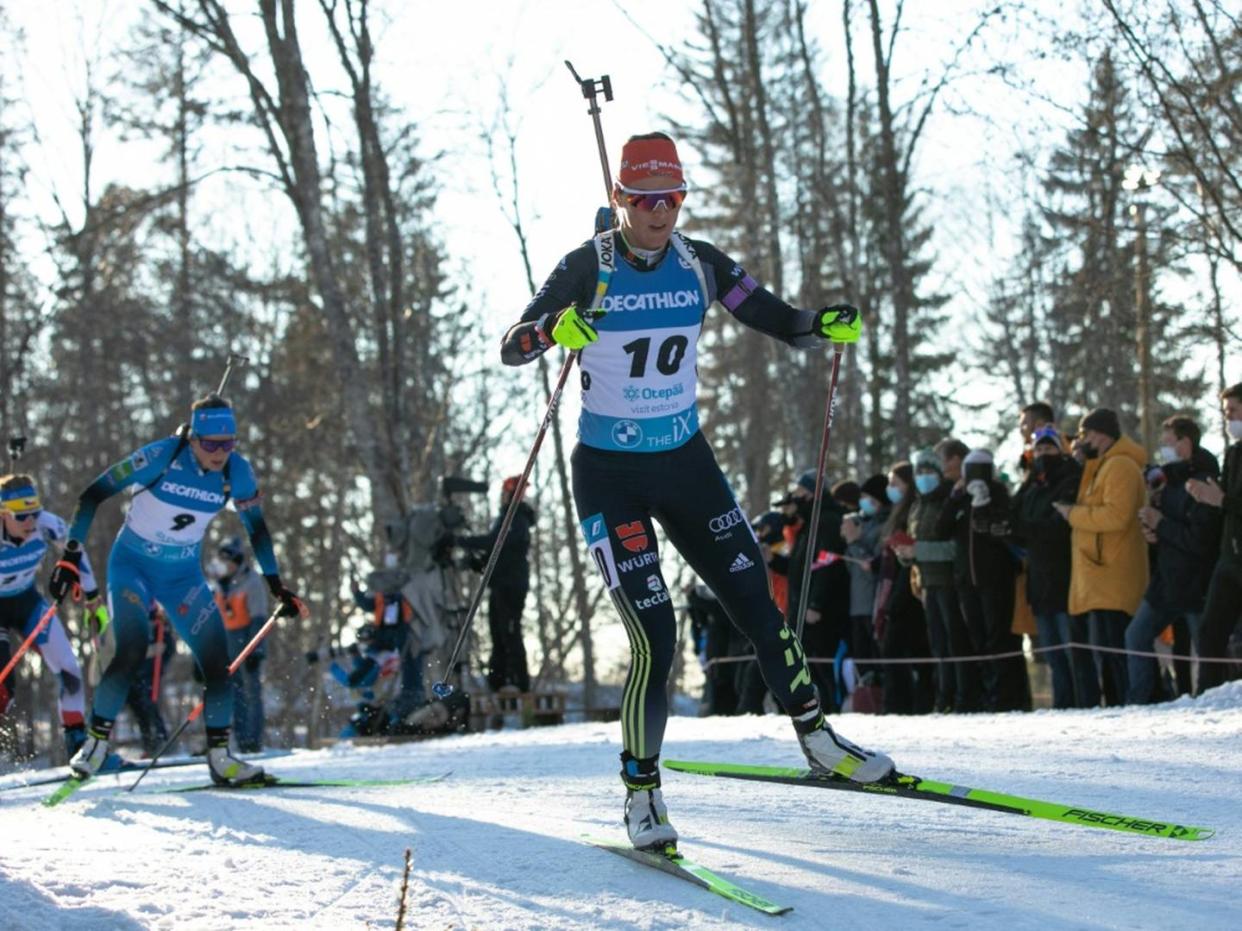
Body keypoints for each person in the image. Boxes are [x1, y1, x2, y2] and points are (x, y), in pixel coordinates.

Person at [500, 131, 892, 850]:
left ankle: (820, 741)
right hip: (611, 474)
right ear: (621, 198)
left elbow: (774, 315)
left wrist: (819, 324)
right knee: (657, 634)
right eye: (646, 198)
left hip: (686, 463)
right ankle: (642, 793)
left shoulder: (699, 263)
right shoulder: (588, 265)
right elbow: (514, 341)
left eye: (672, 197)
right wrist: (555, 329)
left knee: (761, 608)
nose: (660, 212)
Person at [49, 394, 305, 785]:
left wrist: (274, 584)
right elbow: (92, 495)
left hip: (182, 576)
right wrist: (69, 556)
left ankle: (221, 758)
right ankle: (96, 745)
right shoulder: (162, 456)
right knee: (132, 646)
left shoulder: (237, 472)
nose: (220, 453)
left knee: (217, 661)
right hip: (132, 566)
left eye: (229, 443)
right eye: (211, 444)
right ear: (193, 438)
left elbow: (257, 528)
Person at [0, 474, 101, 757]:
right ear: (3, 514)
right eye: (21, 517)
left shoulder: (47, 524)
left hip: (26, 601)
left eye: (33, 513)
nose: (30, 523)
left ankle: (78, 747)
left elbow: (75, 550)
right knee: (3, 688)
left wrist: (92, 595)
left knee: (70, 672)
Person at [1053, 408, 1148, 706]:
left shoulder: (1120, 466)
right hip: (1098, 578)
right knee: (1103, 652)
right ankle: (1117, 703)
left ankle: (1127, 703)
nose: (1081, 442)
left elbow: (1117, 516)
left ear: (1101, 434)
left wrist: (1074, 515)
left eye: (1084, 435)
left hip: (1114, 575)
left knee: (1114, 652)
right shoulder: (1101, 465)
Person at [1127, 416, 1221, 702]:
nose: (1163, 449)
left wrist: (1161, 525)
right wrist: (1153, 534)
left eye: (1168, 443)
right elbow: (1165, 527)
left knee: (1204, 652)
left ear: (1185, 443)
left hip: (1196, 584)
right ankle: (1142, 700)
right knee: (1135, 636)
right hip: (1166, 582)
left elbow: (1200, 540)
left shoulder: (1205, 480)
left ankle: (1212, 701)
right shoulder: (1168, 481)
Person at [938, 449, 1031, 712]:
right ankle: (988, 692)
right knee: (977, 637)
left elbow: (1006, 532)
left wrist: (987, 504)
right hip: (967, 580)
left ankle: (1008, 695)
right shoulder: (961, 500)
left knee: (999, 637)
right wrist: (955, 498)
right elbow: (941, 529)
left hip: (996, 579)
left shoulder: (1000, 495)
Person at [1010, 427, 1094, 708]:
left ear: (1061, 449)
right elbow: (1015, 520)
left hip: (1066, 577)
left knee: (1074, 652)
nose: (1044, 455)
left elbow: (1056, 528)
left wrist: (1023, 528)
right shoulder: (1033, 485)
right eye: (1039, 450)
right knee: (1053, 654)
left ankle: (1085, 704)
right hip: (1039, 581)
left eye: (1049, 448)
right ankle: (1063, 706)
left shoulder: (1071, 479)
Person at [906, 447, 972, 712]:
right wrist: (906, 554)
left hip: (949, 581)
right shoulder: (917, 505)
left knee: (955, 640)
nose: (924, 477)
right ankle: (943, 696)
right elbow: (915, 544)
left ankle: (963, 697)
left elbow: (954, 548)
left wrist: (918, 550)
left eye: (929, 471)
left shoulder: (949, 500)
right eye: (919, 472)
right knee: (938, 644)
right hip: (927, 583)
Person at [1187, 383, 1242, 692]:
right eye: (1225, 413)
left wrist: (1221, 500)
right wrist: (1205, 496)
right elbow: (1226, 499)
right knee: (1210, 633)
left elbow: (1229, 501)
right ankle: (1207, 695)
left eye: (1233, 411)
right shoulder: (1233, 453)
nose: (1228, 418)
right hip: (1229, 557)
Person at [458, 475, 534, 693]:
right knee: (497, 632)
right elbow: (496, 553)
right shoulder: (507, 518)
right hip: (500, 582)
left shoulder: (517, 519)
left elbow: (496, 542)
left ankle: (518, 682)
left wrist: (461, 541)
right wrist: (477, 562)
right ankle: (497, 681)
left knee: (509, 632)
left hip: (511, 585)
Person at [212, 537, 271, 752]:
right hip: (227, 645)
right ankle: (241, 739)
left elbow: (258, 618)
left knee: (251, 693)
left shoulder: (251, 582)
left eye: (226, 562)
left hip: (247, 643)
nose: (223, 567)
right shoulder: (219, 586)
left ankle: (253, 741)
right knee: (234, 695)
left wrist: (256, 649)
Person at [840, 474, 889, 681]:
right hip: (857, 602)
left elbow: (873, 563)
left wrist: (855, 542)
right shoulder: (864, 523)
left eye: (868, 497)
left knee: (877, 652)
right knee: (861, 654)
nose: (863, 502)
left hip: (873, 600)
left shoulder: (882, 527)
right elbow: (852, 568)